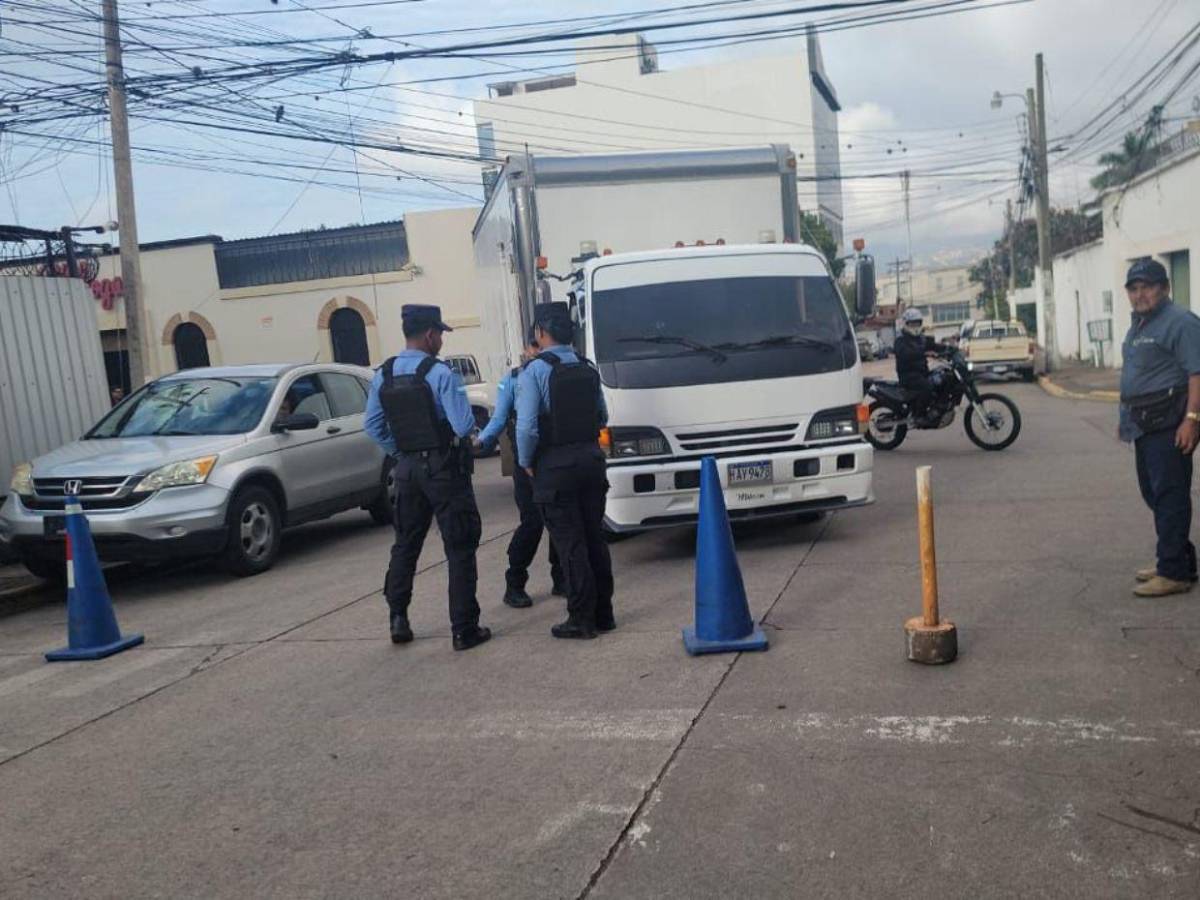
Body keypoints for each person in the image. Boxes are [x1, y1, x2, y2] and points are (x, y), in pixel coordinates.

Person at [364, 304, 491, 651]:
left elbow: (372, 426)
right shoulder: (440, 373)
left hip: (406, 471)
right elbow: (464, 425)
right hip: (444, 469)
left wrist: (401, 452)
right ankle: (464, 629)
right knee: (460, 545)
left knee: (406, 543)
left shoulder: (383, 374)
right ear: (431, 335)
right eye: (441, 336)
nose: (441, 342)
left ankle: (398, 618)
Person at [516, 302, 614, 640]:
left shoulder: (535, 371)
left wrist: (526, 460)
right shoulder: (587, 367)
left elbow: (527, 427)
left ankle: (580, 618)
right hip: (590, 459)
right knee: (594, 538)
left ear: (541, 333)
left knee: (570, 543)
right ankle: (604, 613)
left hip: (555, 465)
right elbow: (602, 416)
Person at [1118, 258, 1200, 598]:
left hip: (1170, 422)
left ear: (1164, 288)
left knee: (1170, 495)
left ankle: (1173, 572)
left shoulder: (1180, 322)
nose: (1140, 294)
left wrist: (1192, 420)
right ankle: (1178, 557)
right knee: (1154, 493)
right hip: (1144, 424)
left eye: (1148, 287)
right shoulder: (1139, 323)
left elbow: (1197, 374)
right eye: (1134, 288)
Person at [475, 327, 566, 609]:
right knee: (533, 522)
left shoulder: (560, 372)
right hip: (527, 465)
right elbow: (500, 417)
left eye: (540, 349)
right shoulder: (513, 380)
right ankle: (515, 582)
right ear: (528, 349)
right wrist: (482, 441)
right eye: (534, 349)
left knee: (559, 522)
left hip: (554, 460)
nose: (537, 354)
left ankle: (561, 578)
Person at [894, 307, 950, 420]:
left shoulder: (921, 338)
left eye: (917, 323)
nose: (915, 326)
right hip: (909, 376)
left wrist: (950, 349)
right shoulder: (900, 340)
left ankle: (939, 407)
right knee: (927, 387)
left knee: (945, 376)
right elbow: (905, 354)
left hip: (922, 373)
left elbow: (935, 346)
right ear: (906, 324)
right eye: (912, 323)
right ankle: (919, 415)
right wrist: (924, 353)